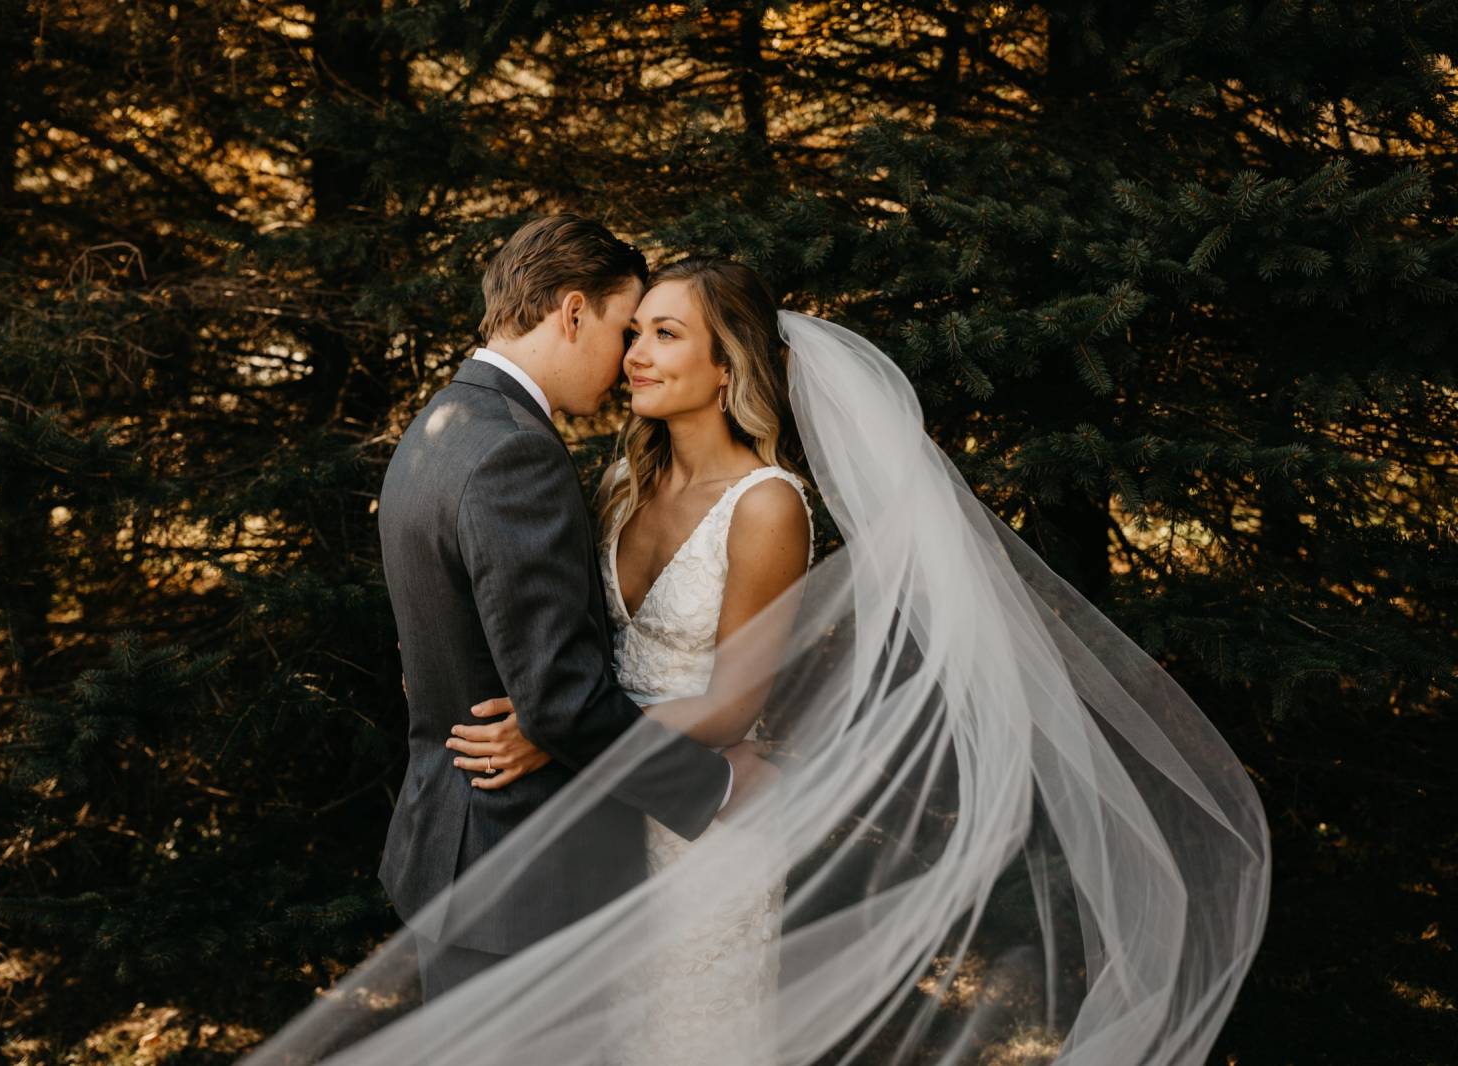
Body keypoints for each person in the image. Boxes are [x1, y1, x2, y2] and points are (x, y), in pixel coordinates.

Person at [240, 238, 1270, 1066]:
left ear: (727, 362)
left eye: (663, 335)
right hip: (608, 814)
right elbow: (532, 635)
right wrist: (546, 715)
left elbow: (731, 706)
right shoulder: (614, 484)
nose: (635, 353)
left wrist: (557, 734)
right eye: (630, 330)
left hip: (689, 825)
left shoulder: (767, 506)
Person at [369, 215, 776, 1002]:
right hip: (523, 874)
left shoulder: (439, 428)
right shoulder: (513, 451)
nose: (629, 361)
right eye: (627, 330)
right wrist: (718, 787)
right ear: (574, 312)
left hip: (456, 854)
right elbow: (558, 698)